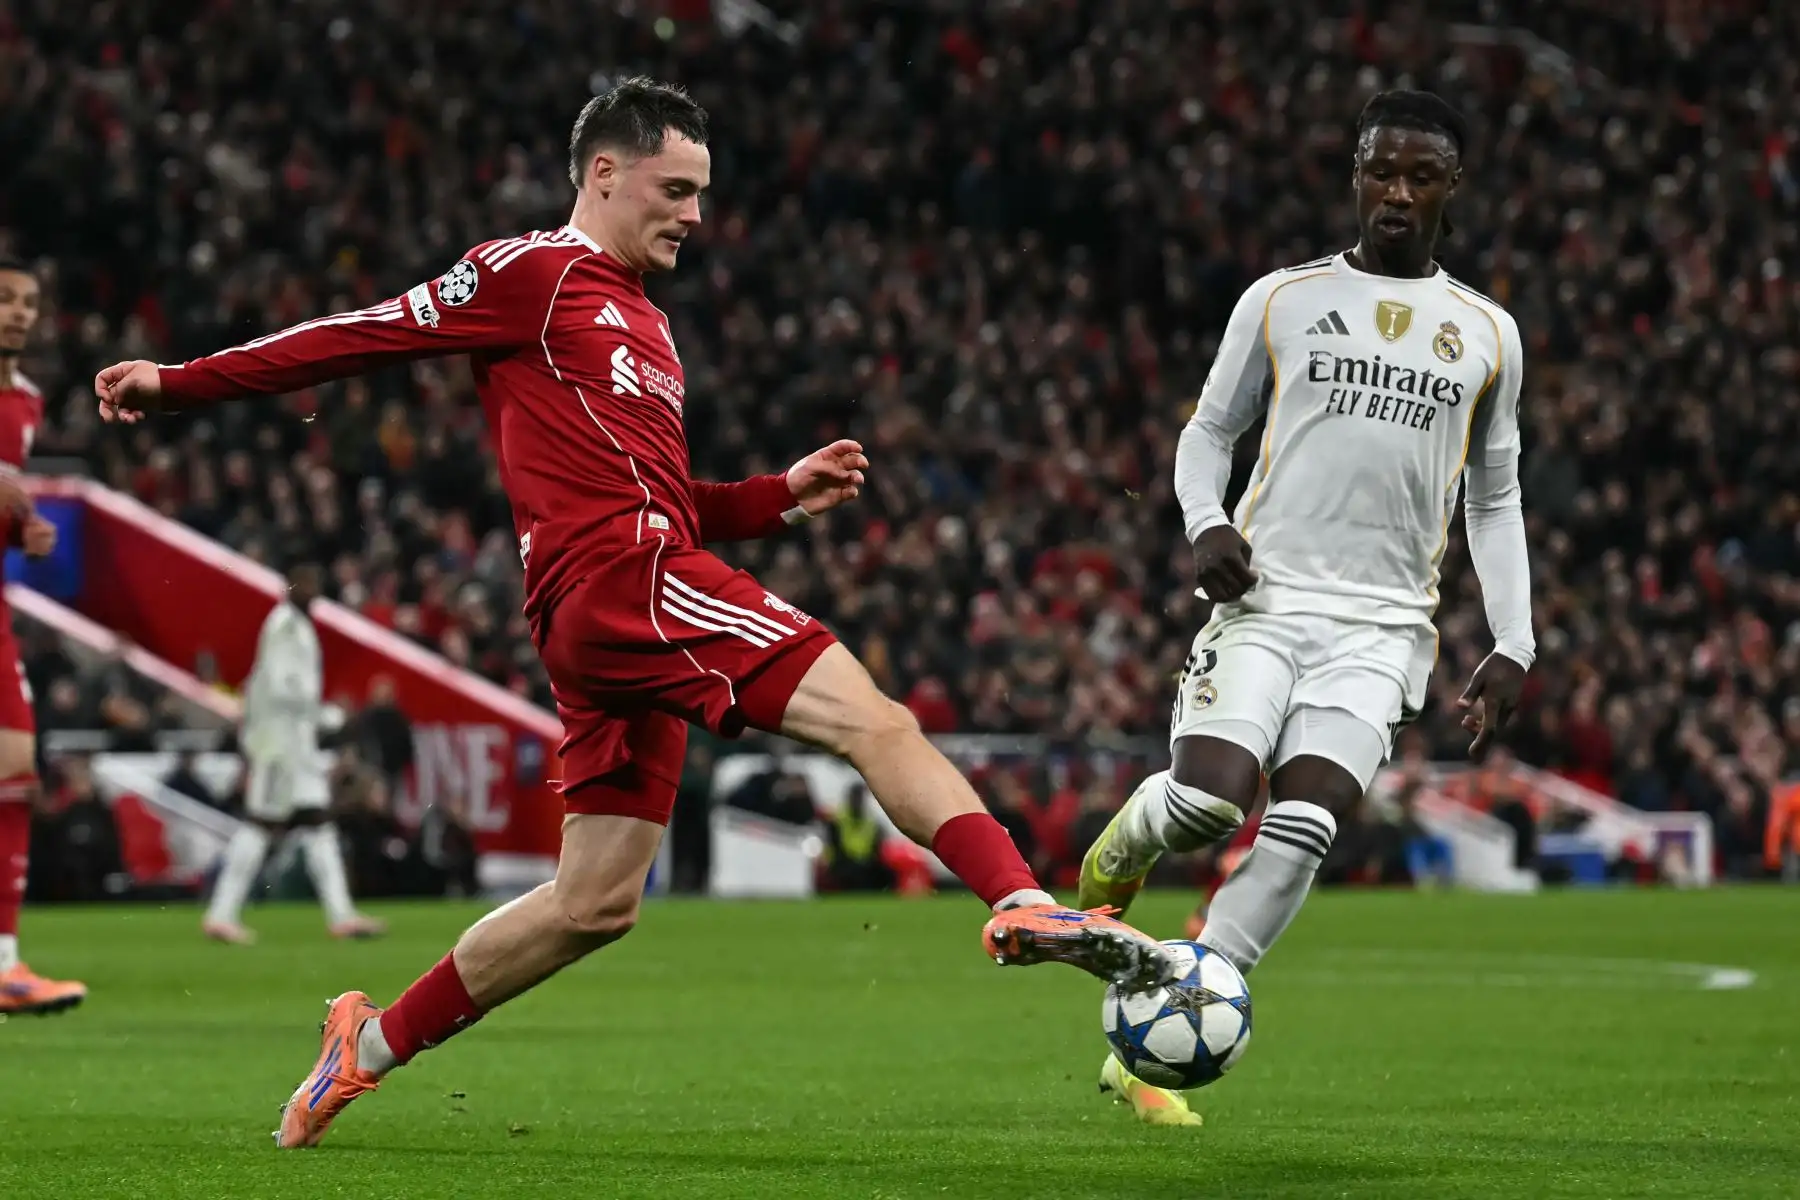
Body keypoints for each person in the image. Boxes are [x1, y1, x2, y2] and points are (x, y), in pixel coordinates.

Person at [93, 77, 1173, 1148]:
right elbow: (357, 333)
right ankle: (1019, 898)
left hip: (616, 604)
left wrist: (779, 496)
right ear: (604, 173)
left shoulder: (646, 322)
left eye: (701, 193)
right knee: (874, 719)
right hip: (625, 583)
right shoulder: (530, 272)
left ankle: (363, 1047)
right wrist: (178, 384)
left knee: (594, 903)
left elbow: (668, 496)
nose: (695, 214)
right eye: (676, 188)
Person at [1080, 91, 1534, 1126]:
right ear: (1355, 174)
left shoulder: (1488, 335)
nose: (1398, 192)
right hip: (1268, 601)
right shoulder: (1282, 300)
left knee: (1307, 819)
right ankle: (1122, 849)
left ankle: (1162, 1032)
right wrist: (1206, 524)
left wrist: (1514, 642)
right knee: (1208, 805)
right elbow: (1208, 432)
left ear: (1452, 188)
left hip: (1382, 630)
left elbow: (1495, 497)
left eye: (1421, 175)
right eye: (1382, 170)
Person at [202, 561, 386, 944]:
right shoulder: (284, 625)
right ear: (290, 586)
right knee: (260, 825)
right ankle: (220, 914)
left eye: (315, 583)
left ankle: (342, 916)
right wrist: (326, 715)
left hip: (296, 747)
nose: (313, 590)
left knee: (319, 824)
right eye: (305, 583)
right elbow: (282, 688)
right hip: (280, 747)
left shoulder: (295, 625)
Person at [0, 257, 86, 1016]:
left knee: (18, 771)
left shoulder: (26, 400)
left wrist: (21, 531)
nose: (18, 312)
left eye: (27, 302)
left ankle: (5, 963)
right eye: (4, 299)